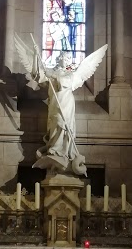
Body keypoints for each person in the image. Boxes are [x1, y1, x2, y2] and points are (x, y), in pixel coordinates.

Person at [14, 34, 107, 176]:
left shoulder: (70, 74)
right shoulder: (50, 72)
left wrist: (53, 76)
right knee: (56, 124)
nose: (68, 60)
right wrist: (35, 57)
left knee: (65, 125)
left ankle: (65, 153)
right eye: (66, 57)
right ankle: (54, 150)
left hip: (67, 103)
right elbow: (37, 75)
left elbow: (66, 83)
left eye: (69, 58)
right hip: (55, 104)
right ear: (60, 58)